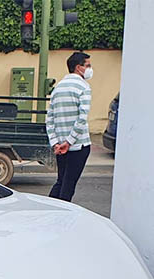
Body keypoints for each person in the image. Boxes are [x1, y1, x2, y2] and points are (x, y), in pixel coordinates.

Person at [46, 51, 93, 203]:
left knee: (61, 181)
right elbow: (82, 118)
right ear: (79, 68)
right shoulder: (83, 87)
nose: (90, 69)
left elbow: (50, 119)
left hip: (60, 146)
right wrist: (70, 141)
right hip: (78, 145)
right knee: (68, 185)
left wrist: (56, 143)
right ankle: (60, 217)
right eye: (88, 65)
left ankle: (49, 210)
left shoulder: (57, 88)